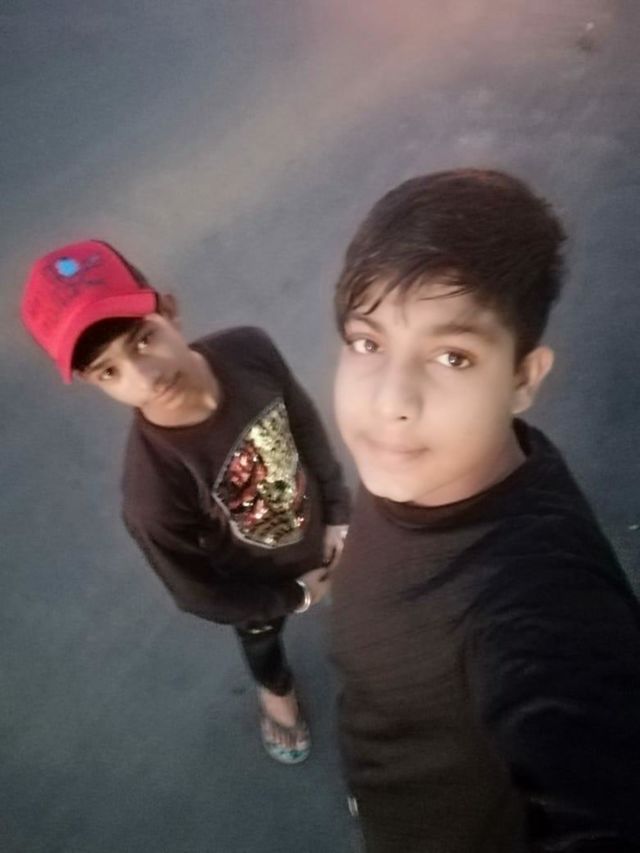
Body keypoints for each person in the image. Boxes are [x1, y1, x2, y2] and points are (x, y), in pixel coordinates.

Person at [329, 169, 640, 850]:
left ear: (524, 379)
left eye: (452, 356)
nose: (391, 400)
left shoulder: (539, 605)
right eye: (368, 343)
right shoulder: (428, 464)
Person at [21, 239, 349, 764]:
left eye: (143, 340)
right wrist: (294, 597)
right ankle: (276, 692)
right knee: (261, 640)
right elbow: (197, 593)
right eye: (109, 372)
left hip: (319, 533)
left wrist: (338, 512)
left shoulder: (249, 350)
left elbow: (304, 424)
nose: (145, 377)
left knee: (355, 602)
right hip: (255, 584)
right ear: (91, 381)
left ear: (168, 309)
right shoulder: (151, 492)